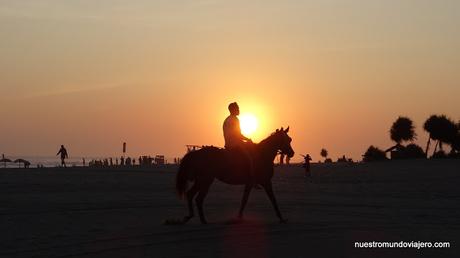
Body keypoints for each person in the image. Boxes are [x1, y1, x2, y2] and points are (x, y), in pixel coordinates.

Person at [223, 102, 255, 183]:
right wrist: (248, 139)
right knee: (250, 158)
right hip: (235, 144)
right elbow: (238, 135)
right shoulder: (235, 120)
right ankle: (251, 178)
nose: (239, 110)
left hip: (228, 144)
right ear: (233, 110)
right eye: (237, 108)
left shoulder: (226, 120)